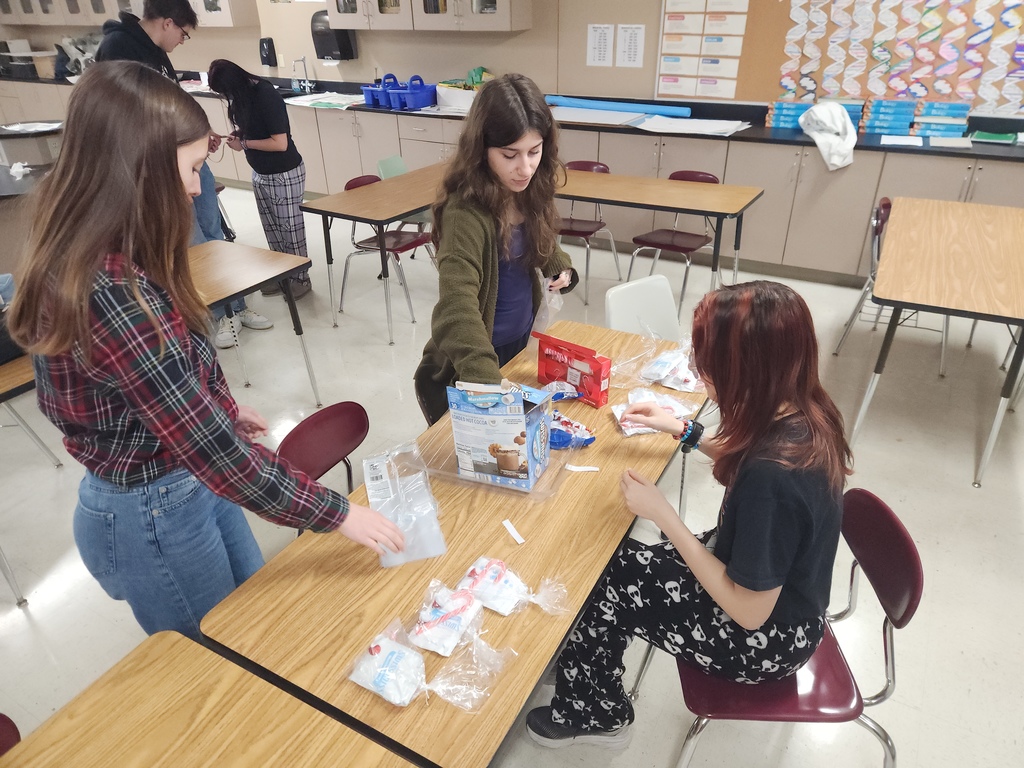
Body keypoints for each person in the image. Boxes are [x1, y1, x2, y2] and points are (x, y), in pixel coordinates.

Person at [5, 61, 403, 642]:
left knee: (253, 627)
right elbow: (215, 454)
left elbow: (154, 382)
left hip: (181, 482)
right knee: (218, 658)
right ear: (135, 172)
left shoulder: (122, 253)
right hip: (153, 506)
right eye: (191, 169)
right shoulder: (107, 292)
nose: (197, 187)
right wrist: (339, 513)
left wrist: (206, 403)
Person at [526, 280, 853, 749]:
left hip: (767, 641)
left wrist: (664, 516)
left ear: (749, 371)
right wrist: (682, 428)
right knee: (614, 559)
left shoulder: (773, 480)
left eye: (711, 367)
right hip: (779, 598)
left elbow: (748, 611)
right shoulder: (802, 410)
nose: (701, 376)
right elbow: (748, 455)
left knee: (607, 578)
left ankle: (598, 714)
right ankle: (588, 655)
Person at [96, 0, 274, 348]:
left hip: (185, 160)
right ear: (167, 23)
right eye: (183, 33)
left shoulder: (156, 51)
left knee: (214, 233)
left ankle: (235, 305)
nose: (182, 40)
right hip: (161, 172)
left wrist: (197, 137)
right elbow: (127, 123)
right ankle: (216, 316)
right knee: (192, 243)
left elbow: (171, 107)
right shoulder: (118, 48)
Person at [413, 73, 579, 425]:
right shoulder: (466, 214)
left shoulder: (528, 188)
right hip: (472, 359)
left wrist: (558, 264)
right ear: (481, 150)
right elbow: (456, 308)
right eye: (510, 155)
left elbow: (540, 236)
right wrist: (486, 381)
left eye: (535, 152)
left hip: (517, 342)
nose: (525, 167)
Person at [207, 59, 313, 305]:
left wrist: (243, 144)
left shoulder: (265, 95)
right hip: (260, 172)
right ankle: (282, 274)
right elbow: (256, 128)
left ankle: (301, 278)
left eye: (226, 92)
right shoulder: (243, 97)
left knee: (290, 230)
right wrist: (241, 134)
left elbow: (279, 143)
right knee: (273, 230)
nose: (227, 97)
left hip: (284, 173)